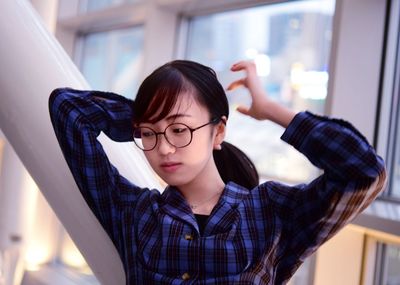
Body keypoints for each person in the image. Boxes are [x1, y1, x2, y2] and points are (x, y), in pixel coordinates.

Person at [49, 60, 386, 284]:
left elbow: (362, 171)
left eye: (179, 130)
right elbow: (69, 109)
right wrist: (149, 115)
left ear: (219, 132)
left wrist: (271, 110)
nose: (163, 148)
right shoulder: (132, 211)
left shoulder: (270, 212)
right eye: (149, 134)